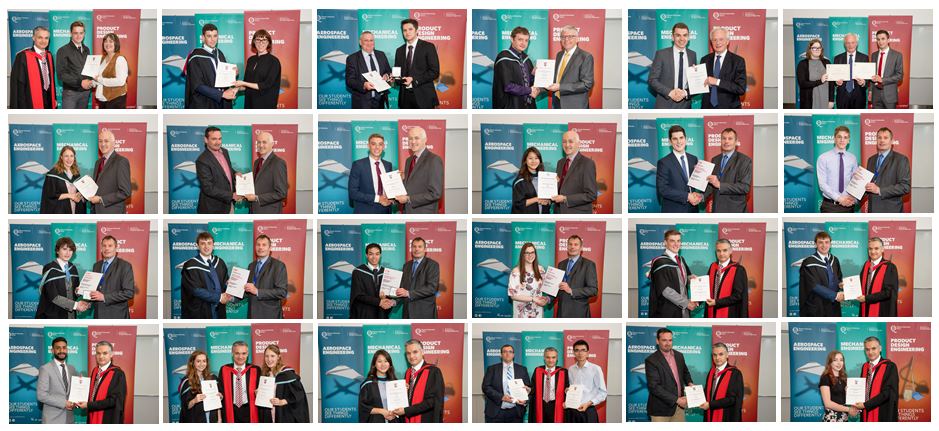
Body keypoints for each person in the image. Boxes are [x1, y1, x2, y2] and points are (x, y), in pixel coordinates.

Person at [184, 23, 237, 109]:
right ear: (203, 37)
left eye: (215, 36)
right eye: (209, 36)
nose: (213, 39)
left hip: (222, 103)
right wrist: (221, 94)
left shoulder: (220, 53)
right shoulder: (195, 57)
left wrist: (232, 74)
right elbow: (197, 85)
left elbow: (222, 77)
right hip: (205, 102)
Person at [645, 328, 693, 422]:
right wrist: (677, 400)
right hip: (660, 410)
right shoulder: (651, 360)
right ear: (657, 341)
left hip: (679, 408)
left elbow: (685, 372)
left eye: (670, 340)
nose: (668, 343)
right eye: (664, 340)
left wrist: (689, 383)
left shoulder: (679, 355)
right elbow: (654, 387)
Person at [392, 339, 445, 423]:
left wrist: (407, 411)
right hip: (408, 420)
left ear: (422, 352)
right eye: (408, 353)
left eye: (415, 352)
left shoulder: (433, 372)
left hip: (426, 420)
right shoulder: (408, 373)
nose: (411, 356)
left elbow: (433, 401)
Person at [649, 229, 698, 318]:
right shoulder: (660, 262)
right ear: (665, 242)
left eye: (678, 241)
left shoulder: (681, 260)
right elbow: (665, 290)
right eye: (672, 241)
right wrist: (686, 303)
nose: (676, 244)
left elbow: (684, 278)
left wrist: (691, 278)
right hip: (668, 310)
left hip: (683, 311)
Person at [181, 231, 231, 319]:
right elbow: (196, 290)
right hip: (200, 311)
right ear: (197, 246)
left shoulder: (220, 262)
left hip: (219, 310)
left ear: (213, 245)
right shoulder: (190, 265)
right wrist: (219, 298)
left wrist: (229, 285)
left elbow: (224, 282)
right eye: (203, 243)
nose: (206, 246)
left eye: (209, 243)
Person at [35, 237, 87, 318]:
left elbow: (73, 293)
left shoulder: (73, 268)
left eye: (70, 250)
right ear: (57, 251)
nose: (68, 253)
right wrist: (76, 305)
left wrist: (77, 292)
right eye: (64, 249)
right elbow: (53, 296)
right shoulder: (50, 268)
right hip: (53, 314)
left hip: (70, 315)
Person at [702, 128, 752, 213]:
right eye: (724, 138)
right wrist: (701, 196)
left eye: (730, 138)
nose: (726, 141)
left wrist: (720, 185)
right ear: (721, 141)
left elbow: (745, 187)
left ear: (736, 141)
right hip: (717, 210)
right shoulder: (715, 159)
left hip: (735, 211)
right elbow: (712, 184)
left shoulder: (745, 160)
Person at [648, 22, 697, 109]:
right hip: (665, 104)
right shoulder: (661, 54)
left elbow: (694, 83)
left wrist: (685, 92)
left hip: (685, 105)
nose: (682, 38)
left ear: (688, 37)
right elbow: (652, 80)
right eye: (678, 35)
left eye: (685, 35)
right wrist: (670, 92)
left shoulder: (692, 55)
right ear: (672, 37)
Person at [394, 19, 439, 109]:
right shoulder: (399, 50)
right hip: (404, 98)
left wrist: (414, 80)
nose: (407, 32)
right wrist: (394, 78)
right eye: (404, 30)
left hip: (424, 96)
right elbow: (398, 74)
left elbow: (434, 72)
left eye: (410, 29)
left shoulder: (428, 47)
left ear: (417, 30)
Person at [257, 345, 309, 423]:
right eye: (266, 356)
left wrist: (282, 401)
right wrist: (259, 393)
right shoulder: (265, 374)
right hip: (269, 414)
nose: (269, 359)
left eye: (272, 356)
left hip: (284, 414)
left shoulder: (287, 374)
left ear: (278, 357)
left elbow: (299, 395)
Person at [79, 341, 127, 424]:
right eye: (98, 353)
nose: (101, 356)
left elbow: (113, 401)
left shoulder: (118, 374)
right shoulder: (95, 371)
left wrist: (89, 405)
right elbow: (93, 394)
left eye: (105, 353)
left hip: (108, 418)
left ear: (111, 355)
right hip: (92, 415)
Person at [240, 234, 288, 319]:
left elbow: (282, 292)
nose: (260, 247)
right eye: (258, 245)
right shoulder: (251, 266)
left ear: (270, 248)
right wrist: (233, 294)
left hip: (269, 316)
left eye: (264, 245)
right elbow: (248, 290)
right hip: (252, 315)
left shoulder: (278, 266)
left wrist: (257, 291)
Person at [398, 126, 444, 214]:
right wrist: (402, 179)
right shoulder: (409, 160)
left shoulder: (434, 160)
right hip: (407, 211)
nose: (413, 141)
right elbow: (412, 186)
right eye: (410, 138)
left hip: (424, 213)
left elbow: (435, 193)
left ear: (425, 140)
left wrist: (409, 199)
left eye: (416, 138)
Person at [864, 127, 911, 213]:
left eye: (885, 138)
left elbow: (905, 187)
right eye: (879, 137)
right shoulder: (871, 159)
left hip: (890, 211)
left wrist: (879, 190)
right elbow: (868, 184)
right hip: (872, 210)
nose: (882, 140)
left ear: (892, 141)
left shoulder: (901, 159)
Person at [546, 25, 594, 109]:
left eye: (570, 36)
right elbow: (556, 78)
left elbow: (586, 84)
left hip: (574, 106)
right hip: (557, 102)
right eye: (563, 37)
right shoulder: (559, 55)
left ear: (577, 39)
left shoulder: (585, 57)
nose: (566, 39)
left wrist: (560, 87)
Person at [798, 231, 844, 317]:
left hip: (833, 306)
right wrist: (835, 295)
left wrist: (840, 284)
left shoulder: (835, 260)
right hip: (817, 306)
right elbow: (813, 285)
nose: (824, 245)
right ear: (815, 244)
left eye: (827, 242)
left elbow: (838, 277)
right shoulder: (808, 263)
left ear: (830, 244)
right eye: (820, 242)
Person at [89, 235, 135, 319]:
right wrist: (83, 292)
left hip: (116, 315)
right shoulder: (96, 265)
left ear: (116, 248)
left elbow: (129, 293)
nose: (106, 248)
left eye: (110, 246)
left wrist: (104, 297)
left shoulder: (125, 266)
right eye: (104, 246)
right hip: (98, 314)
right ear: (101, 248)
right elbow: (95, 288)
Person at [10, 26, 57, 108]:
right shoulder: (23, 57)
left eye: (46, 38)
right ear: (33, 38)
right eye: (40, 37)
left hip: (49, 98)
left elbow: (51, 80)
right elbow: (18, 85)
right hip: (30, 101)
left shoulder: (49, 56)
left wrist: (54, 98)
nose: (43, 41)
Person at [656, 125, 701, 212]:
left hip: (693, 210)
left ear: (686, 139)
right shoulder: (664, 162)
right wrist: (687, 196)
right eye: (675, 139)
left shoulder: (693, 159)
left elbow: (695, 183)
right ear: (670, 142)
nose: (679, 141)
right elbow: (663, 189)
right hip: (674, 210)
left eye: (681, 138)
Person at [854, 337, 899, 422]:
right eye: (867, 349)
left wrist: (866, 405)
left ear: (880, 348)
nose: (870, 352)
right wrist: (852, 390)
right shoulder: (865, 367)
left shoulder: (890, 366)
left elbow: (888, 393)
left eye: (873, 348)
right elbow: (862, 388)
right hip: (866, 412)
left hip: (882, 413)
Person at [233, 29, 281, 109]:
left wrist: (244, 83)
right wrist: (237, 88)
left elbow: (266, 85)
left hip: (265, 105)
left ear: (268, 43)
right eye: (258, 40)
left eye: (264, 40)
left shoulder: (274, 61)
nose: (261, 43)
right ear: (254, 42)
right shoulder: (251, 60)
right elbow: (247, 84)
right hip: (249, 103)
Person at [493, 26, 538, 109]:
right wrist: (529, 90)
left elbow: (529, 82)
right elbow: (508, 86)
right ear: (512, 39)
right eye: (520, 39)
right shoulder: (503, 58)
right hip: (511, 106)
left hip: (528, 106)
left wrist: (533, 75)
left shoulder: (526, 59)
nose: (523, 43)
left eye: (526, 40)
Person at [197, 126, 240, 214]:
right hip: (213, 208)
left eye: (220, 139)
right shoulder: (202, 160)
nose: (218, 142)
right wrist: (231, 195)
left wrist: (235, 173)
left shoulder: (225, 151)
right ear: (206, 140)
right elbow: (208, 188)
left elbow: (226, 169)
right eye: (214, 139)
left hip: (229, 204)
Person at [482, 344, 531, 422]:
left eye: (510, 352)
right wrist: (501, 397)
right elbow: (486, 387)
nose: (507, 354)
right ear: (501, 355)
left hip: (516, 412)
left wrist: (525, 400)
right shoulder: (492, 369)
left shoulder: (522, 369)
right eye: (505, 352)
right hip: (496, 412)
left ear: (513, 355)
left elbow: (528, 388)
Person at [553, 131, 598, 214]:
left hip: (577, 214)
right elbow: (561, 188)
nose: (567, 145)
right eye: (564, 142)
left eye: (570, 141)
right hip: (559, 212)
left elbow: (591, 195)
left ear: (578, 144)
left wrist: (566, 199)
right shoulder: (560, 162)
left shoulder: (587, 163)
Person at [700, 28, 746, 109]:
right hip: (707, 108)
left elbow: (740, 89)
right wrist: (694, 72)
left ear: (727, 41)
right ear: (711, 42)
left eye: (721, 39)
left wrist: (717, 81)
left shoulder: (738, 61)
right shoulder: (704, 60)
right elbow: (701, 84)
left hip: (729, 110)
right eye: (714, 40)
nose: (718, 43)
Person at [348, 133, 394, 214]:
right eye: (373, 144)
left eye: (380, 144)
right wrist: (377, 198)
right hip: (365, 212)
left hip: (386, 211)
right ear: (368, 146)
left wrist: (392, 198)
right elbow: (353, 193)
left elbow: (391, 188)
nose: (377, 147)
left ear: (383, 147)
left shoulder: (388, 165)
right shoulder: (358, 165)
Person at [37, 337, 79, 424]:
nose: (61, 350)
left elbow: (75, 391)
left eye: (64, 348)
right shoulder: (45, 369)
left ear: (67, 350)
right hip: (52, 420)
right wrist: (64, 403)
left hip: (69, 420)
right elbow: (41, 395)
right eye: (58, 348)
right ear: (52, 351)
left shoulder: (72, 369)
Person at [554, 235, 598, 318]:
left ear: (581, 248)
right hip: (561, 311)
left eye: (576, 244)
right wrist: (548, 299)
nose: (572, 247)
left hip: (578, 312)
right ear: (567, 247)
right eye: (570, 244)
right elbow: (557, 287)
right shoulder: (561, 264)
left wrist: (571, 291)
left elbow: (593, 290)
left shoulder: (588, 265)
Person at [346, 31, 392, 109]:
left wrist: (387, 76)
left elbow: (388, 71)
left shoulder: (381, 55)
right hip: (361, 103)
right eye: (366, 40)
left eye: (371, 40)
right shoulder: (352, 58)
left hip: (380, 101)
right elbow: (349, 81)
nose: (369, 43)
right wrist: (364, 85)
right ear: (360, 42)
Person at [244, 131, 288, 214]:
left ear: (272, 144)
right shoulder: (257, 162)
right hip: (254, 209)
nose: (261, 145)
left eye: (264, 142)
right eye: (259, 142)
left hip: (269, 211)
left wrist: (257, 198)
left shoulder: (278, 163)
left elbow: (281, 193)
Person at [218, 341, 261, 423]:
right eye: (237, 353)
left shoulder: (255, 370)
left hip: (249, 410)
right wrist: (219, 395)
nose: (240, 356)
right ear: (232, 353)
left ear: (247, 354)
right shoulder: (224, 369)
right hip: (231, 410)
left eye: (243, 353)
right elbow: (220, 390)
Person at [90, 130, 132, 214]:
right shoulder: (98, 162)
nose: (103, 144)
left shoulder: (121, 161)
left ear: (113, 143)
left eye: (106, 141)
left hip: (112, 213)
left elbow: (125, 192)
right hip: (96, 212)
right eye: (100, 141)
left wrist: (101, 199)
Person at [817, 125, 857, 213]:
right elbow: (822, 184)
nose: (842, 140)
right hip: (830, 206)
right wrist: (839, 198)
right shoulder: (823, 158)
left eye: (845, 137)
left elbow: (855, 182)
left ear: (848, 140)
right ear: (834, 139)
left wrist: (853, 198)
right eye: (839, 137)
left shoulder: (853, 158)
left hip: (849, 206)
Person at [699, 343, 743, 422]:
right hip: (710, 415)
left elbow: (732, 399)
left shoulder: (735, 373)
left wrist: (710, 405)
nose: (717, 358)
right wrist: (693, 398)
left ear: (727, 355)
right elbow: (707, 393)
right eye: (714, 355)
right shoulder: (711, 372)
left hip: (726, 417)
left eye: (721, 354)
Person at [704, 239, 748, 318]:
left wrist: (717, 302)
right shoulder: (713, 267)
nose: (721, 254)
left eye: (725, 250)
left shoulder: (738, 269)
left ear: (730, 251)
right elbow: (706, 288)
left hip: (729, 313)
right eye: (718, 251)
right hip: (711, 311)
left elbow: (738, 296)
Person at [350, 243, 395, 319]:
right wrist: (379, 302)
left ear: (380, 255)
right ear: (366, 255)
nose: (374, 257)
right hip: (364, 314)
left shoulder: (386, 273)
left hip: (381, 314)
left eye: (377, 254)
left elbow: (390, 295)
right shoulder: (358, 272)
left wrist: (388, 300)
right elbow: (358, 295)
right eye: (371, 254)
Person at [398, 237, 440, 319]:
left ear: (425, 249)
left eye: (420, 246)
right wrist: (394, 301)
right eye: (414, 246)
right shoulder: (406, 266)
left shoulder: (432, 265)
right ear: (411, 249)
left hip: (424, 313)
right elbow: (403, 288)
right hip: (407, 313)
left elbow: (432, 288)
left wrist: (409, 293)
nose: (416, 249)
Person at [565, 340, 606, 423]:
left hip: (588, 410)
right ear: (574, 353)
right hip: (572, 410)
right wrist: (567, 391)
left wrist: (588, 403)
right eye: (577, 350)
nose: (580, 353)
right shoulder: (571, 369)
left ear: (587, 353)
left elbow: (603, 393)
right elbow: (571, 387)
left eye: (583, 350)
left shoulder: (595, 369)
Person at [857, 237, 899, 317]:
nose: (873, 252)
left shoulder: (890, 267)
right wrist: (847, 286)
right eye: (870, 249)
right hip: (865, 308)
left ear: (882, 249)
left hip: (881, 311)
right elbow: (861, 284)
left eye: (876, 248)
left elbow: (888, 292)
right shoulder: (866, 265)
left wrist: (867, 298)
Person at [55, 21, 93, 109]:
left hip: (85, 92)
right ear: (70, 33)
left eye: (81, 33)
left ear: (84, 34)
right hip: (71, 93)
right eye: (75, 33)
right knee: (69, 117)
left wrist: (92, 78)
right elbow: (61, 74)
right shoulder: (62, 50)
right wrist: (80, 82)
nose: (78, 36)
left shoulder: (86, 49)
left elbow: (88, 69)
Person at [359, 349, 403, 423]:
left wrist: (405, 391)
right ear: (374, 364)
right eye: (379, 361)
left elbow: (401, 405)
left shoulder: (395, 383)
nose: (383, 364)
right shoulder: (368, 384)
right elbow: (363, 407)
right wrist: (381, 411)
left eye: (386, 361)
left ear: (390, 364)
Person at [41, 146, 87, 214]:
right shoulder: (53, 174)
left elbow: (79, 193)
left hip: (75, 210)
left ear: (74, 158)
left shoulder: (76, 174)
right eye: (66, 156)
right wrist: (69, 195)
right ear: (61, 157)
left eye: (71, 156)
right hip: (60, 212)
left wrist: (80, 195)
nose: (69, 159)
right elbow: (49, 196)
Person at [179, 350, 222, 423]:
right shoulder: (187, 381)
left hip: (212, 419)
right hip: (195, 420)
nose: (202, 364)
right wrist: (194, 400)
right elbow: (185, 406)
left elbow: (217, 404)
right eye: (198, 361)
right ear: (192, 363)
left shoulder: (213, 378)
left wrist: (219, 418)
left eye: (204, 361)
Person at [529, 347, 569, 423]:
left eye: (553, 357)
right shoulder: (538, 370)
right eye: (548, 357)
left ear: (557, 358)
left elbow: (566, 389)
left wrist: (567, 391)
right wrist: (528, 390)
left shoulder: (563, 372)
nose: (550, 360)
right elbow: (533, 388)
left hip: (556, 406)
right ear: (544, 358)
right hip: (541, 405)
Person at [509, 242, 548, 318]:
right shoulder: (516, 271)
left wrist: (546, 299)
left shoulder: (541, 270)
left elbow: (546, 288)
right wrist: (533, 299)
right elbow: (513, 296)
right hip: (521, 314)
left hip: (537, 312)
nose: (530, 255)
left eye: (532, 252)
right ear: (523, 255)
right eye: (527, 253)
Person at [833, 33, 870, 109]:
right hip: (842, 96)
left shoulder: (864, 58)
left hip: (859, 95)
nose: (850, 45)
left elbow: (868, 77)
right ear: (844, 44)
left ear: (856, 43)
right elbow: (834, 77)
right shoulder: (837, 58)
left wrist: (864, 82)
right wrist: (836, 82)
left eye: (853, 42)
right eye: (848, 43)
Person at [93, 33, 129, 108]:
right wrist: (92, 82)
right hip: (103, 99)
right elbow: (99, 77)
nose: (107, 43)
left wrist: (99, 79)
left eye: (111, 41)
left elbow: (120, 81)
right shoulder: (103, 59)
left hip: (116, 100)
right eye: (105, 41)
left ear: (116, 44)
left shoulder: (120, 59)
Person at [819, 350, 856, 422]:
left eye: (841, 360)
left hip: (844, 417)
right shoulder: (825, 378)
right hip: (832, 417)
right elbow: (828, 404)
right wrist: (848, 409)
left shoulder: (844, 378)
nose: (839, 363)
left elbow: (844, 399)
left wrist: (849, 393)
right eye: (835, 360)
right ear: (830, 362)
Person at [512, 147, 552, 214]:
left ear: (540, 160)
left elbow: (550, 199)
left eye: (536, 158)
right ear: (525, 160)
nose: (533, 161)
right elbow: (518, 204)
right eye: (530, 158)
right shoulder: (520, 181)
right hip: (527, 218)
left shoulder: (544, 178)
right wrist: (537, 199)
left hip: (544, 218)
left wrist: (548, 201)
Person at [796, 38, 834, 109]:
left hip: (825, 100)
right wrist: (820, 81)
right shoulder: (802, 64)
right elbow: (802, 83)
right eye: (814, 48)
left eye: (819, 48)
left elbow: (831, 83)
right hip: (809, 101)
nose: (817, 50)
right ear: (810, 49)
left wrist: (831, 100)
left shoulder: (827, 62)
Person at [870, 30, 904, 109]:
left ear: (888, 40)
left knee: (889, 116)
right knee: (876, 116)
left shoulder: (897, 55)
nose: (880, 42)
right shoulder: (874, 55)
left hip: (890, 94)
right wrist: (871, 91)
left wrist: (882, 80)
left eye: (883, 39)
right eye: (878, 39)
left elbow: (899, 76)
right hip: (875, 95)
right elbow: (872, 74)